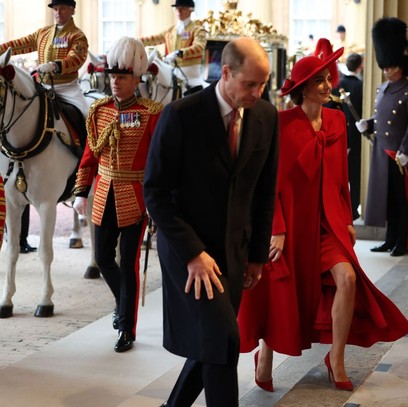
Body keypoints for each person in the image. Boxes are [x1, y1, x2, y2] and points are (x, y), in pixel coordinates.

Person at [238, 38, 408, 393]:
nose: (327, 85)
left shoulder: (335, 120)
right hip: (290, 225)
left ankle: (336, 359)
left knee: (347, 278)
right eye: (319, 81)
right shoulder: (282, 124)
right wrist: (276, 228)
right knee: (281, 292)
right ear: (303, 89)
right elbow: (268, 184)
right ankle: (267, 353)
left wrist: (347, 218)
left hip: (329, 225)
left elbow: (341, 178)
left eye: (327, 79)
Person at [143, 37, 279, 407]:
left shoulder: (266, 117)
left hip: (234, 254)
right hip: (188, 253)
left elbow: (264, 192)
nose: (258, 92)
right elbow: (154, 193)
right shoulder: (182, 115)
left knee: (211, 344)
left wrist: (256, 255)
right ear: (227, 72)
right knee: (225, 340)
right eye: (250, 84)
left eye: (263, 83)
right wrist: (192, 254)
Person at [73, 37, 163, 353]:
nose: (115, 82)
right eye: (112, 77)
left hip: (136, 197)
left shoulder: (152, 113)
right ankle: (122, 302)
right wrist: (81, 192)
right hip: (103, 195)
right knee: (102, 258)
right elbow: (89, 156)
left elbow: (159, 163)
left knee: (128, 263)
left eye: (122, 77)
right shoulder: (98, 111)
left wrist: (156, 202)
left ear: (137, 79)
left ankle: (126, 327)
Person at [356, 17, 408, 257]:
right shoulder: (382, 89)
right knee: (387, 199)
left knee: (402, 202)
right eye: (384, 66)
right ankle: (389, 239)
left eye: (389, 66)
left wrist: (406, 151)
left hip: (399, 155)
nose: (385, 70)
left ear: (400, 64)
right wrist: (367, 124)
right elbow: (379, 119)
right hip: (382, 152)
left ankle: (402, 242)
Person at [0, 0, 89, 117]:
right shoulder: (43, 32)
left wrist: (55, 65)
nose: (58, 12)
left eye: (62, 8)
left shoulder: (77, 36)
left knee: (86, 114)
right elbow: (20, 44)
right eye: (55, 9)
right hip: (42, 85)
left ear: (72, 10)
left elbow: (76, 59)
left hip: (67, 88)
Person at [140, 0, 208, 94]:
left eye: (183, 8)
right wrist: (136, 41)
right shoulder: (170, 31)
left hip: (190, 74)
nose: (179, 11)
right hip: (171, 71)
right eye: (177, 8)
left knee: (196, 95)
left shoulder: (198, 30)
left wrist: (179, 53)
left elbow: (199, 47)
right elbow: (153, 39)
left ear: (190, 10)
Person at [335, 52, 364, 220]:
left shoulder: (338, 84)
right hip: (355, 137)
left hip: (338, 137)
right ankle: (352, 209)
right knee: (354, 176)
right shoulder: (361, 86)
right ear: (360, 66)